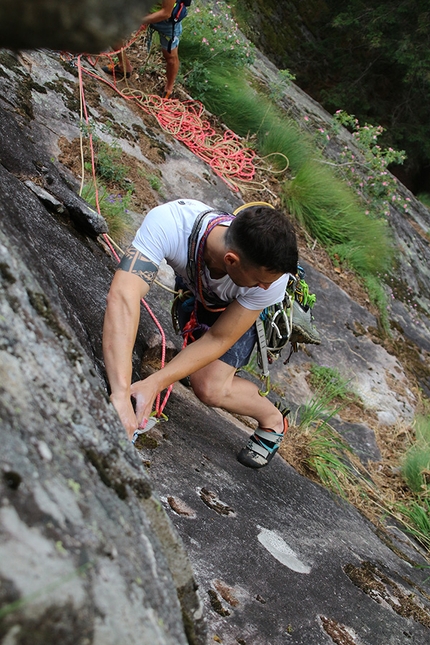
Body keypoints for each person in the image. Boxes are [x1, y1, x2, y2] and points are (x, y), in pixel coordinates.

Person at [103, 199, 299, 469]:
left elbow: (219, 338)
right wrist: (121, 393)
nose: (267, 287)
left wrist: (155, 383)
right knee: (196, 372)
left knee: (209, 388)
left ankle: (273, 420)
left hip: (237, 309)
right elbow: (124, 295)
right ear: (231, 260)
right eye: (261, 280)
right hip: (200, 290)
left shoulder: (271, 285)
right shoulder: (170, 222)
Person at [103, 0, 184, 98]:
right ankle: (124, 66)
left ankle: (169, 89)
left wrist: (141, 20)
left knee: (170, 57)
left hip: (167, 21)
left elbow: (166, 13)